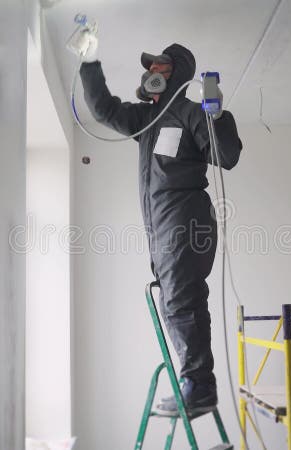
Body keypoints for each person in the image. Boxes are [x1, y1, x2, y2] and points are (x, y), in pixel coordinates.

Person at [77, 38, 243, 414]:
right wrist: (89, 61)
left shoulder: (190, 113)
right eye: (150, 67)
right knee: (180, 301)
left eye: (159, 67)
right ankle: (197, 382)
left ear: (178, 73)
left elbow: (228, 155)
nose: (151, 71)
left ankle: (198, 385)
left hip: (186, 222)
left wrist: (217, 116)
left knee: (182, 300)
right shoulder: (147, 120)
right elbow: (103, 110)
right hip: (164, 228)